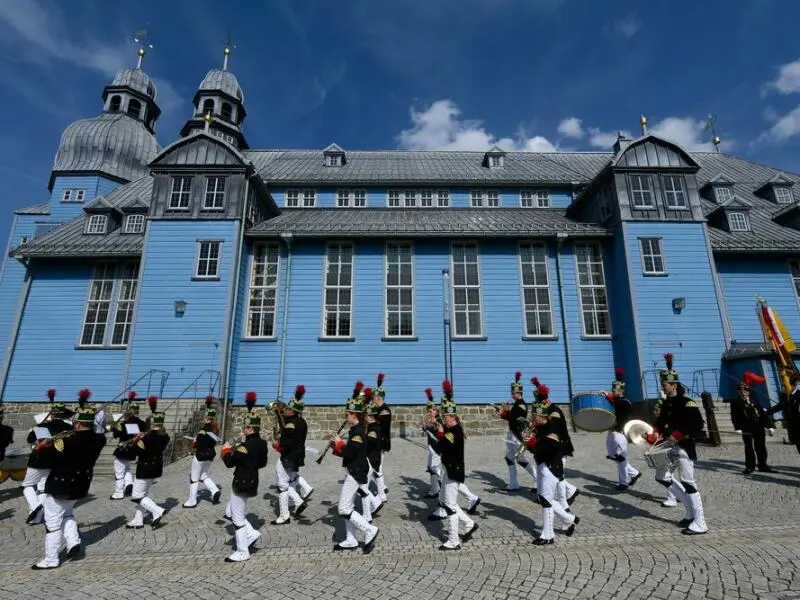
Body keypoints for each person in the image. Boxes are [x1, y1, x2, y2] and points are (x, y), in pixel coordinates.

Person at [31, 393, 105, 569]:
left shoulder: (65, 440)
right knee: (67, 514)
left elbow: (47, 460)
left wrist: (41, 447)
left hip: (60, 484)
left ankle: (51, 559)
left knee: (52, 523)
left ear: (77, 422)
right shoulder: (99, 439)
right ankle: (73, 542)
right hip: (80, 484)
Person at [645, 353, 708, 535]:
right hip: (668, 448)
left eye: (665, 384)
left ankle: (700, 522)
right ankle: (689, 511)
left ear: (674, 385)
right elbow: (661, 424)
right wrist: (653, 435)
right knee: (662, 477)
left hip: (684, 447)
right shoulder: (666, 404)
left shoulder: (687, 402)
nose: (662, 387)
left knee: (688, 482)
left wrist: (678, 435)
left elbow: (697, 425)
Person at [330, 382, 379, 553]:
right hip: (353, 469)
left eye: (347, 415)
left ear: (354, 416)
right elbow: (347, 452)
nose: (346, 417)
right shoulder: (356, 430)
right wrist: (335, 446)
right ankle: (350, 539)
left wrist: (339, 444)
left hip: (356, 472)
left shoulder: (358, 432)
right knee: (348, 506)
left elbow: (350, 452)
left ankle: (369, 530)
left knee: (343, 508)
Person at [221, 391, 269, 562]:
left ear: (250, 428)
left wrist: (226, 449)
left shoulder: (244, 446)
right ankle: (251, 534)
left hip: (241, 482)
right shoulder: (262, 444)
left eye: (244, 427)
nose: (243, 430)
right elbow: (263, 463)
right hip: (253, 480)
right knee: (231, 510)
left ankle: (242, 551)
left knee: (237, 517)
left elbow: (229, 463)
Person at [431, 382, 479, 551]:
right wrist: (438, 433)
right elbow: (441, 447)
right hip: (447, 469)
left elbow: (445, 447)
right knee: (445, 501)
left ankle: (453, 540)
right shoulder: (451, 430)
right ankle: (469, 523)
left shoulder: (455, 431)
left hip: (453, 471)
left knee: (450, 505)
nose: (443, 420)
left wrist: (440, 434)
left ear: (453, 418)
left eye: (446, 418)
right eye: (443, 418)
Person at [524, 414, 579, 545]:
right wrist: (529, 444)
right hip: (543, 466)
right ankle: (569, 519)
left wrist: (533, 443)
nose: (533, 419)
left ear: (543, 417)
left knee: (545, 501)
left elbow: (551, 449)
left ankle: (548, 535)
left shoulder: (552, 429)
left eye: (535, 417)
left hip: (551, 468)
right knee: (544, 498)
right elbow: (537, 450)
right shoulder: (541, 429)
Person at [22, 389, 74, 524]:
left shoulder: (43, 425)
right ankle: (37, 518)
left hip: (39, 459)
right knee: (43, 488)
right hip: (56, 462)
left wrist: (36, 427)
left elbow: (30, 439)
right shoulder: (69, 427)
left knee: (27, 485)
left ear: (51, 414)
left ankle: (35, 506)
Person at [531, 377, 579, 510]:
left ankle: (564, 504)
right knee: (553, 474)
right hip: (548, 447)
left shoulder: (554, 411)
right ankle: (555, 495)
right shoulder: (545, 410)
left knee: (558, 475)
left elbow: (556, 429)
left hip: (560, 446)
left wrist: (545, 422)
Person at [126, 397, 170, 529]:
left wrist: (136, 440)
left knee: (136, 495)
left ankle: (157, 510)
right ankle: (138, 520)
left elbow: (136, 451)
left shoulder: (147, 438)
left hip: (144, 468)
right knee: (143, 494)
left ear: (152, 423)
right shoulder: (165, 436)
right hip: (156, 468)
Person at [271, 385, 311, 524]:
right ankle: (298, 501)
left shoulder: (290, 424)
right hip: (298, 455)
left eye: (287, 409)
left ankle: (284, 515)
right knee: (291, 480)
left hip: (288, 456)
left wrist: (277, 445)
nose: (284, 410)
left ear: (293, 411)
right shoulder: (302, 422)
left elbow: (286, 442)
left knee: (282, 485)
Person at [498, 372, 537, 492]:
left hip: (517, 434)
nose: (512, 394)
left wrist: (505, 413)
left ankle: (537, 478)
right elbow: (512, 417)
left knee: (520, 458)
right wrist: (503, 414)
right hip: (511, 433)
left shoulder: (522, 405)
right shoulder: (516, 404)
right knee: (509, 458)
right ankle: (513, 483)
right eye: (512, 392)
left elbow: (517, 420)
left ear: (519, 393)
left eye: (514, 392)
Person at [731, 372, 775, 474]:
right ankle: (750, 466)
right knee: (749, 448)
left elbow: (763, 415)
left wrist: (769, 426)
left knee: (761, 447)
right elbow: (734, 416)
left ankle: (763, 465)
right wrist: (737, 428)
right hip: (746, 428)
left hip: (758, 428)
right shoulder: (736, 403)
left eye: (745, 390)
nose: (742, 392)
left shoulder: (755, 401)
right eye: (740, 390)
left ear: (749, 391)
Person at [605, 368, 641, 491]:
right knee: (612, 454)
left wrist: (609, 398)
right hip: (612, 432)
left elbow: (617, 407)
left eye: (613, 390)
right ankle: (635, 473)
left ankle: (623, 483)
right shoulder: (617, 401)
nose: (612, 392)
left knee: (621, 458)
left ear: (620, 391)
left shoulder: (624, 402)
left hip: (620, 433)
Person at [183, 396, 222, 508]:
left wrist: (195, 440)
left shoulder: (202, 430)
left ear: (207, 419)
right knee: (203, 475)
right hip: (209, 456)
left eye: (205, 417)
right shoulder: (215, 430)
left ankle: (192, 501)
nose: (204, 418)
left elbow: (197, 444)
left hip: (200, 456)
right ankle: (214, 490)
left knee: (194, 478)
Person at [110, 392, 146, 500]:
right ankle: (129, 484)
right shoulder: (142, 423)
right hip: (133, 449)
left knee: (119, 471)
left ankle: (118, 492)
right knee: (127, 468)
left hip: (123, 448)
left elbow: (117, 435)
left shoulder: (124, 423)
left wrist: (115, 427)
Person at [766, 371, 800, 455]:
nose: (783, 386)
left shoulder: (799, 394)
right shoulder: (785, 395)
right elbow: (780, 406)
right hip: (793, 426)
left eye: (785, 384)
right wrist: (766, 412)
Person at [371, 372, 391, 502]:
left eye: (374, 398)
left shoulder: (384, 410)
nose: (373, 399)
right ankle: (382, 487)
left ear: (379, 398)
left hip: (381, 442)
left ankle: (382, 493)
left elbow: (381, 426)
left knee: (378, 466)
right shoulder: (378, 409)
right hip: (377, 441)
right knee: (376, 466)